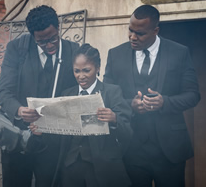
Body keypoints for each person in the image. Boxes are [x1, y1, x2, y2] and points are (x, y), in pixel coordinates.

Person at [103, 5, 201, 187]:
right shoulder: (115, 55)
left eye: (139, 33)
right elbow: (106, 97)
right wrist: (129, 105)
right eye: (130, 30)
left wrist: (165, 102)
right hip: (131, 148)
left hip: (169, 150)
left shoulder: (179, 52)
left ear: (155, 30)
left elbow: (193, 95)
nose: (132, 37)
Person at [0, 5, 79, 187]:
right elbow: (5, 91)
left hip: (54, 143)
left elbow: (78, 92)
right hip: (19, 138)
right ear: (32, 36)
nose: (49, 46)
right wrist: (19, 110)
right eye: (42, 42)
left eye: (53, 39)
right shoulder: (16, 48)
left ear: (58, 29)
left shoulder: (73, 50)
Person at [30, 43, 132, 187]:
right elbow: (59, 137)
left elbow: (128, 132)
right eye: (77, 71)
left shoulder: (112, 92)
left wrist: (114, 119)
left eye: (86, 70)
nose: (81, 76)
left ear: (97, 68)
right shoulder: (67, 94)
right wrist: (42, 131)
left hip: (102, 169)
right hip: (70, 169)